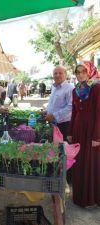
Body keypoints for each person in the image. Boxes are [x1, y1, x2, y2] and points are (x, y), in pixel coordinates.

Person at [67, 61, 100, 208]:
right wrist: (70, 132)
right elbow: (74, 112)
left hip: (92, 131)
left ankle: (92, 199)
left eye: (83, 71)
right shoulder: (76, 90)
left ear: (89, 72)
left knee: (92, 163)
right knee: (79, 163)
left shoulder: (97, 88)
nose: (80, 75)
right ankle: (80, 197)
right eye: (77, 72)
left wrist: (97, 136)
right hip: (79, 131)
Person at [43, 66, 73, 140]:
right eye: (55, 73)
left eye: (60, 73)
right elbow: (52, 102)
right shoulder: (54, 87)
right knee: (55, 147)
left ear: (65, 75)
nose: (57, 75)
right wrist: (47, 111)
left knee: (62, 147)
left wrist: (54, 116)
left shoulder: (69, 88)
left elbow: (70, 107)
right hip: (54, 123)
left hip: (64, 125)